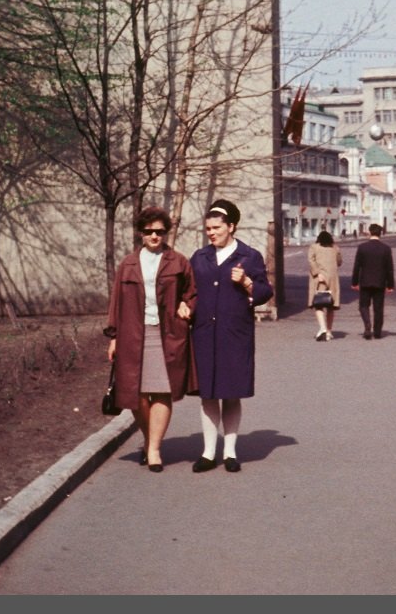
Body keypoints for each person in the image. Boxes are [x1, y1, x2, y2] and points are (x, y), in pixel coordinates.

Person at [104, 207, 196, 473]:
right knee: (137, 394)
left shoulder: (178, 261)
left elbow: (192, 292)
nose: (155, 236)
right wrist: (114, 337)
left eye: (160, 231)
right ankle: (148, 440)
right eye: (149, 232)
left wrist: (186, 305)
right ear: (141, 233)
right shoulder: (128, 264)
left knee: (163, 390)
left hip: (167, 334)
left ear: (165, 233)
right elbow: (116, 302)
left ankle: (154, 448)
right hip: (133, 334)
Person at [187, 199, 272, 473]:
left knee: (231, 393)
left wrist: (247, 282)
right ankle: (208, 453)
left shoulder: (250, 256)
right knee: (208, 395)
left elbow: (265, 292)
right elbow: (188, 291)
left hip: (234, 335)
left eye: (216, 228)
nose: (211, 233)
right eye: (208, 229)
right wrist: (183, 304)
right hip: (204, 334)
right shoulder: (199, 257)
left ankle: (231, 453)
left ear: (231, 226)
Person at [352, 223, 395, 339]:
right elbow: (389, 269)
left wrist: (354, 282)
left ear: (370, 232)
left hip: (365, 282)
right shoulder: (386, 249)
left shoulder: (362, 247)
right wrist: (390, 285)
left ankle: (367, 324)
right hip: (380, 282)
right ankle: (377, 332)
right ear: (380, 233)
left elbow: (357, 266)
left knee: (363, 305)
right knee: (378, 308)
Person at [307, 230, 342, 341]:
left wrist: (317, 272)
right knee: (330, 306)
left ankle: (322, 328)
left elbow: (311, 260)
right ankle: (329, 331)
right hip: (333, 279)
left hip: (320, 279)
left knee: (318, 303)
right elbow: (339, 262)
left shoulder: (314, 247)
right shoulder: (335, 248)